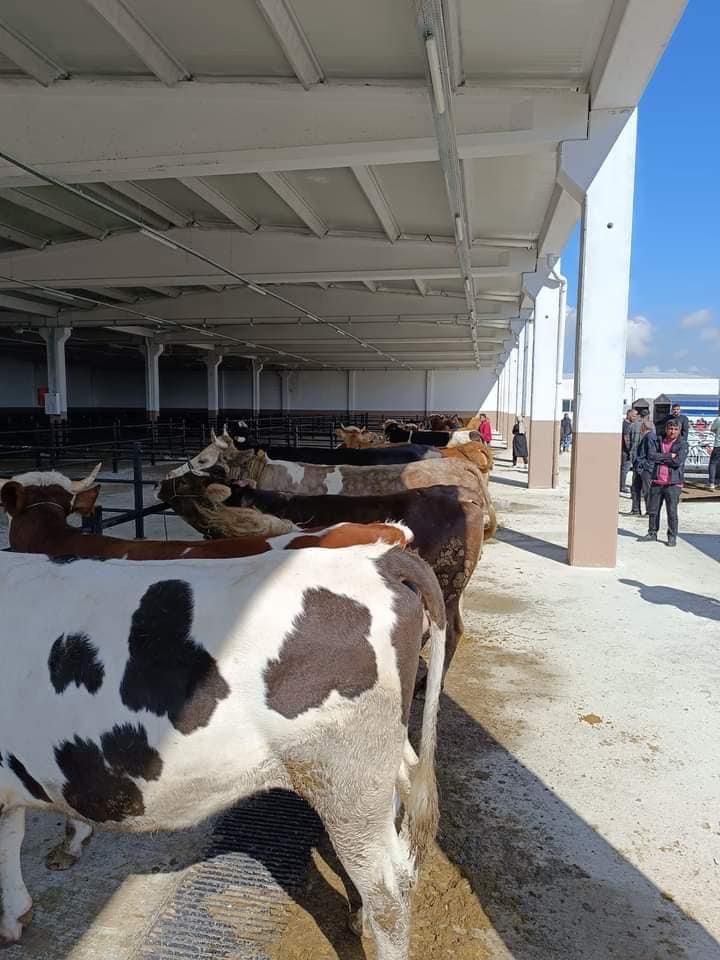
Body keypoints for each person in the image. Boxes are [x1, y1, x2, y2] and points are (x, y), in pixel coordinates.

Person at [639, 419, 688, 547]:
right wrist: (669, 456)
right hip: (657, 481)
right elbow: (651, 456)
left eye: (675, 429)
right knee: (653, 510)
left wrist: (662, 457)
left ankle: (672, 537)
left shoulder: (682, 444)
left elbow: (678, 462)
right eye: (670, 429)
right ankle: (652, 533)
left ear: (679, 431)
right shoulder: (659, 440)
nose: (672, 431)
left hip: (673, 483)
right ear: (666, 429)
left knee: (671, 512)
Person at [630, 420, 654, 516]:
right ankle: (635, 509)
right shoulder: (646, 436)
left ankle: (649, 511)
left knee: (646, 490)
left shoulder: (650, 437)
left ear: (644, 427)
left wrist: (646, 466)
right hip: (639, 466)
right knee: (635, 488)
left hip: (645, 468)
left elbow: (651, 454)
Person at [620, 409, 640, 493]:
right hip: (626, 451)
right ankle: (622, 486)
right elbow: (626, 438)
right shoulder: (627, 425)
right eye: (634, 416)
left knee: (624, 469)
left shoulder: (625, 424)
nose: (635, 418)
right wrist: (629, 451)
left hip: (625, 450)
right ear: (629, 415)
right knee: (625, 469)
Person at [708, 410, 720, 491]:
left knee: (713, 463)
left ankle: (712, 484)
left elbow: (712, 429)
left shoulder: (718, 419)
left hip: (718, 444)